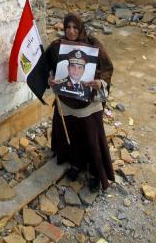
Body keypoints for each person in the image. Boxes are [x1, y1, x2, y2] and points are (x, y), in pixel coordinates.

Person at [46, 14, 115, 191]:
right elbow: (47, 67)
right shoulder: (57, 46)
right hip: (66, 101)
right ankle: (76, 164)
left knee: (91, 139)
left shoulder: (93, 45)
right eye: (67, 27)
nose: (71, 31)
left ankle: (95, 174)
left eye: (75, 28)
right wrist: (50, 79)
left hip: (88, 103)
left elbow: (107, 68)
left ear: (81, 28)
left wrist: (100, 82)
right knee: (72, 134)